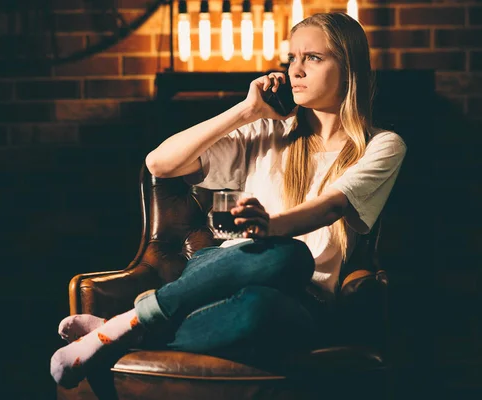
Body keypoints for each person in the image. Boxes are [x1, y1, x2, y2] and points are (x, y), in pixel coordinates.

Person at [50, 12, 407, 388]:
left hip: (305, 300)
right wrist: (246, 111)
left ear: (349, 67)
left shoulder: (381, 145)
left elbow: (333, 205)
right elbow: (160, 163)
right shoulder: (267, 132)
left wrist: (269, 226)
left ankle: (123, 330)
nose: (295, 70)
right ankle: (129, 323)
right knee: (283, 254)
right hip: (222, 275)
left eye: (313, 58)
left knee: (271, 291)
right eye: (292, 58)